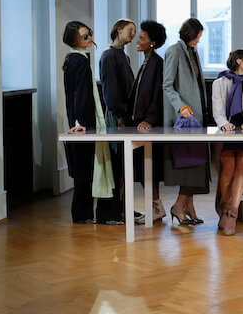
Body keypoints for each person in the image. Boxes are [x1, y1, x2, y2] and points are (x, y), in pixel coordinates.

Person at [61, 21, 115, 224]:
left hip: (78, 121)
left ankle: (82, 214)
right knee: (84, 171)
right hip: (83, 124)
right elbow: (80, 94)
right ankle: (82, 214)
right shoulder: (80, 61)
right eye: (85, 36)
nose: (89, 38)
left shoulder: (73, 59)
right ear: (74, 40)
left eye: (89, 34)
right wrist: (81, 122)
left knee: (83, 171)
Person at [162, 18, 211, 226]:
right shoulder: (174, 51)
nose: (199, 40)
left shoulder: (192, 51)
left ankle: (188, 205)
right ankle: (178, 206)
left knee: (198, 164)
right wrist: (180, 106)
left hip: (197, 118)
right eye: (198, 36)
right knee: (189, 165)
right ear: (190, 34)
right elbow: (167, 85)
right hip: (184, 119)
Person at [211, 49, 243, 235]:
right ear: (239, 61)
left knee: (241, 167)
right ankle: (224, 208)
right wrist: (224, 124)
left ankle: (232, 213)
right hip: (227, 131)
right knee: (228, 168)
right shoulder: (219, 83)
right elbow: (217, 111)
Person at [127, 20, 168, 223]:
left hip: (148, 124)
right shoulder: (145, 62)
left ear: (152, 42)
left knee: (148, 167)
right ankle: (155, 208)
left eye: (142, 38)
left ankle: (156, 208)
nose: (137, 40)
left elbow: (157, 94)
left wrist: (149, 120)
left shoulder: (158, 64)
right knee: (144, 168)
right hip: (138, 123)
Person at [98, 18, 136, 225]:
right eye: (130, 30)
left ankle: (121, 209)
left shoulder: (121, 55)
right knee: (114, 165)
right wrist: (120, 114)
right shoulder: (109, 55)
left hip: (123, 116)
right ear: (119, 30)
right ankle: (109, 213)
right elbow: (110, 91)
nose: (133, 34)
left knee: (122, 166)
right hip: (116, 117)